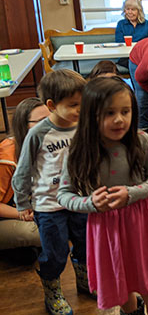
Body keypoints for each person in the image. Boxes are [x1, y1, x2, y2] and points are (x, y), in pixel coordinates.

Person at [57, 77, 148, 315]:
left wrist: (132, 193)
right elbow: (64, 195)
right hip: (106, 229)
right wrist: (90, 203)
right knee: (120, 282)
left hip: (141, 224)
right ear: (90, 116)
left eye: (125, 111)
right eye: (109, 113)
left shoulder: (140, 140)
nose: (119, 119)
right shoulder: (77, 151)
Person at [11, 69, 92, 315]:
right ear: (52, 105)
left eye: (83, 103)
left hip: (79, 200)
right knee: (56, 253)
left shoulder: (82, 126)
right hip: (49, 205)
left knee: (85, 244)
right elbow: (23, 171)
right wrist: (23, 203)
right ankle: (53, 292)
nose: (80, 109)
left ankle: (84, 281)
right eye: (73, 105)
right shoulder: (38, 133)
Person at [0, 98, 49, 258]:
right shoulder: (7, 158)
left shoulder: (47, 146)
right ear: (24, 125)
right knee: (41, 233)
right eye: (41, 121)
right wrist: (23, 214)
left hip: (26, 208)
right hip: (8, 213)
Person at [115, 0, 148, 69]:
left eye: (133, 9)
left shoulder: (147, 24)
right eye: (127, 9)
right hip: (126, 57)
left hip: (143, 55)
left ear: (139, 11)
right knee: (136, 64)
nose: (130, 12)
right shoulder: (121, 24)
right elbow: (119, 42)